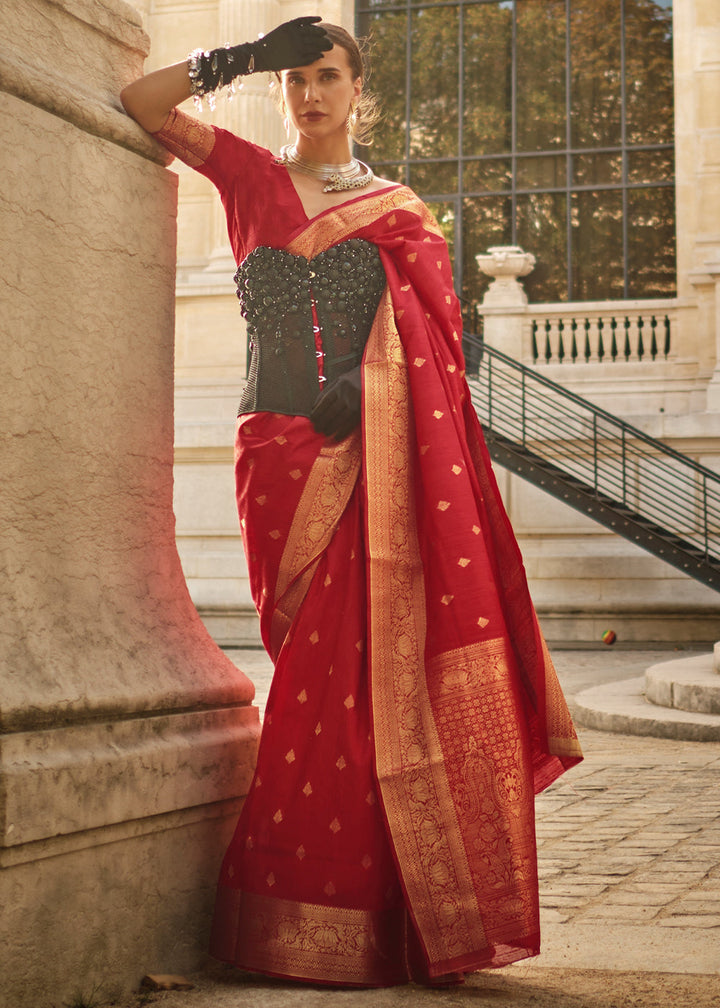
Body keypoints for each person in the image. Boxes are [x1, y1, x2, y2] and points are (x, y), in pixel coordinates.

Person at [121, 17, 582, 988]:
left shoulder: (400, 210)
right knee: (307, 664)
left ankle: (374, 914)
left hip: (365, 457)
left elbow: (445, 354)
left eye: (326, 76)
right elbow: (143, 104)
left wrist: (367, 395)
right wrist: (237, 59)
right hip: (275, 457)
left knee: (359, 684)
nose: (310, 94)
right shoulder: (248, 177)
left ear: (357, 88)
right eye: (295, 80)